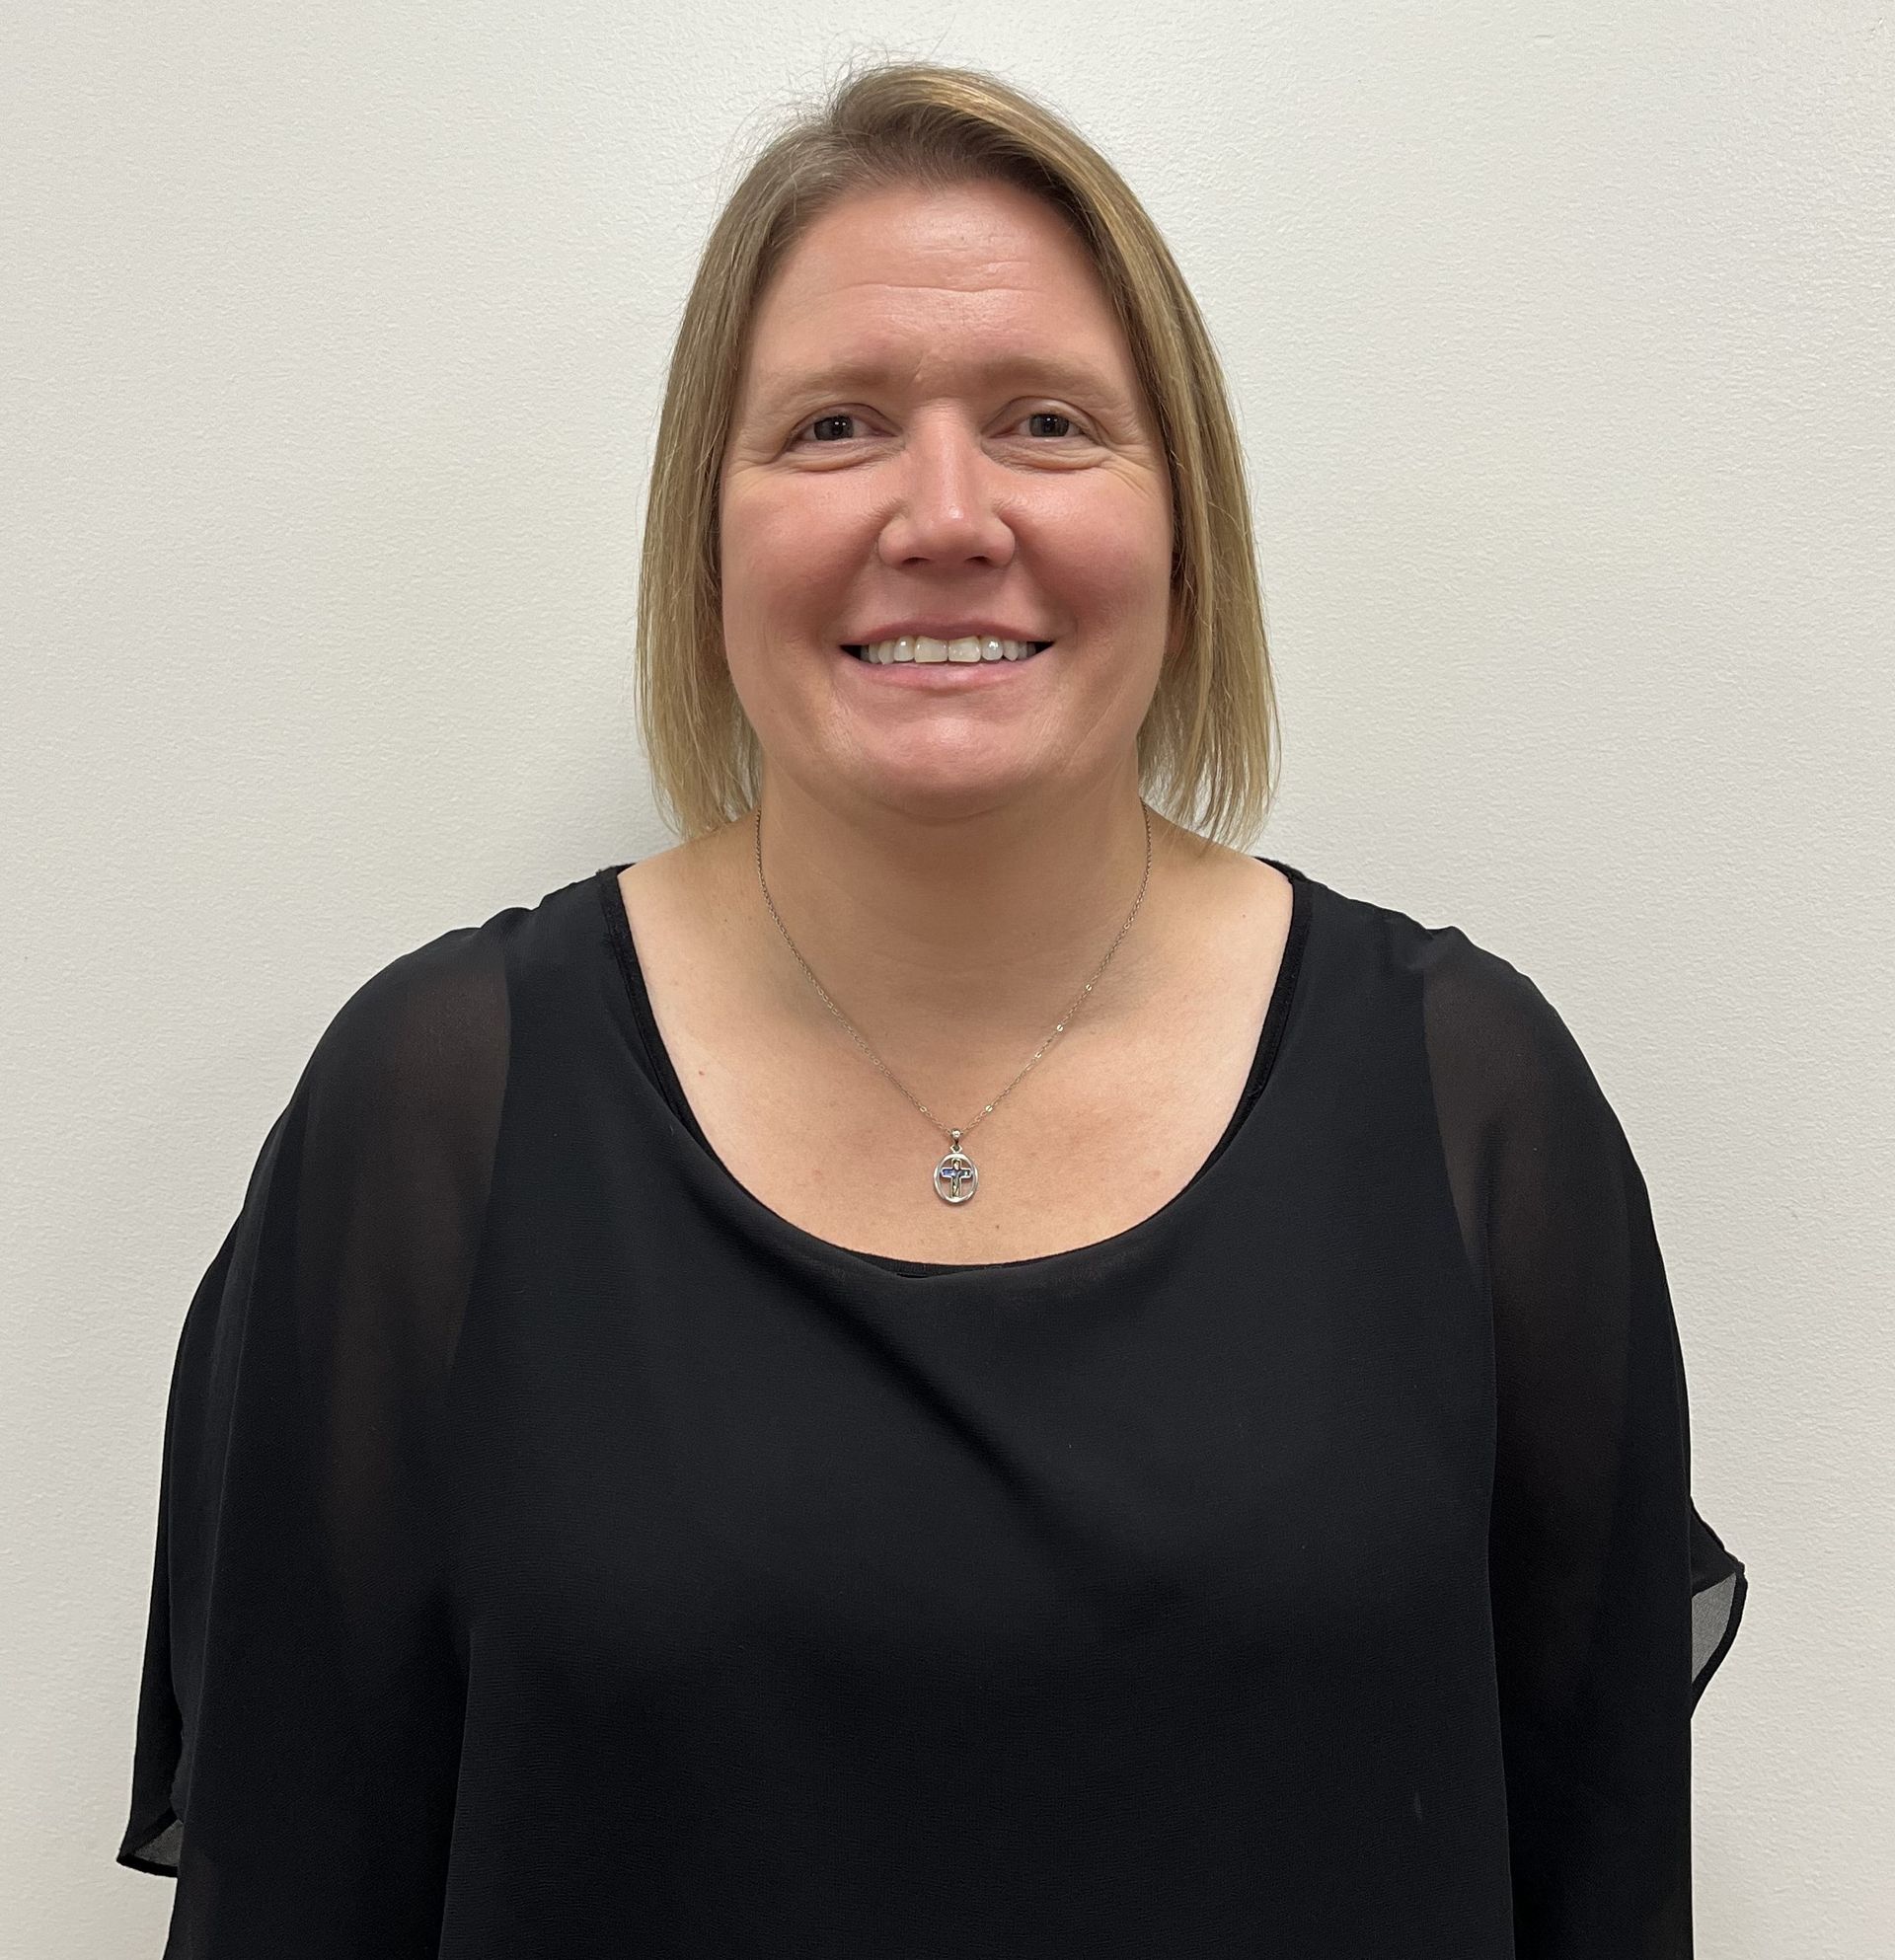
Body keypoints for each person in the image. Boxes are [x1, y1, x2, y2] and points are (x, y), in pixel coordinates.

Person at [116, 57, 1746, 1957]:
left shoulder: (1476, 1112)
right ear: (704, 531)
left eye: (1049, 421)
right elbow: (298, 1888)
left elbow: (1604, 1884)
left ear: (1184, 519)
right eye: (832, 428)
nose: (946, 512)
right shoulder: (434, 1121)